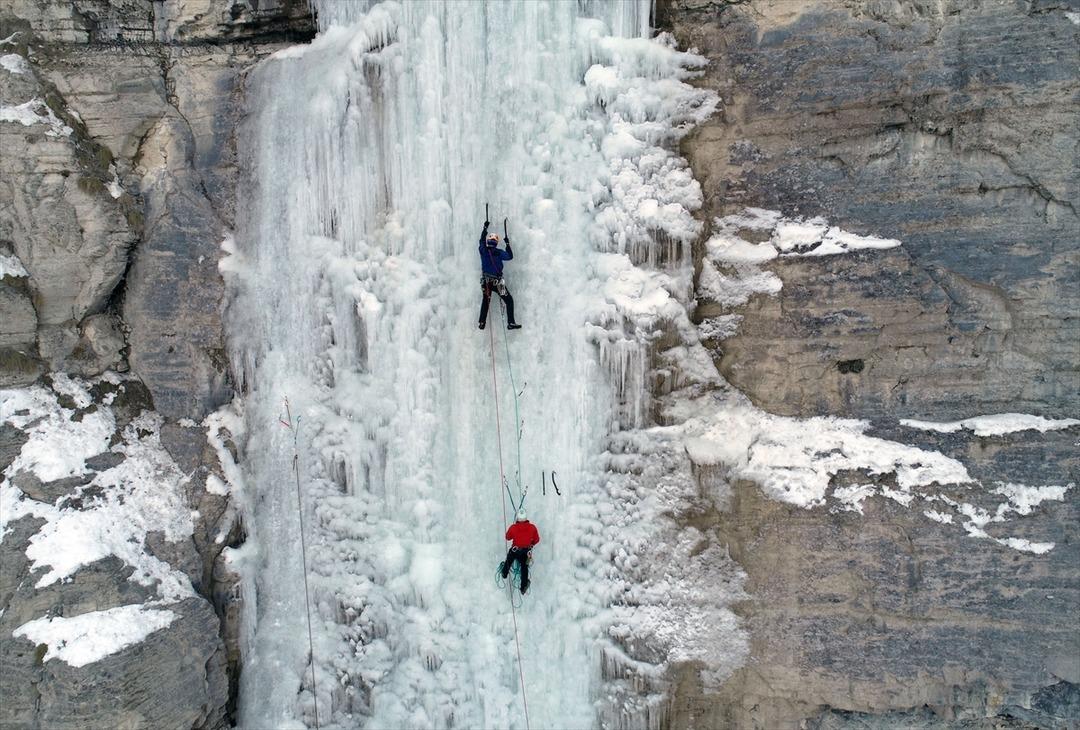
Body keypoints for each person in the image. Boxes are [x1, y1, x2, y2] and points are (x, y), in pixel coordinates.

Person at [478, 219, 522, 330]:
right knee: (509, 300)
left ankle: (482, 322)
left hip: (486, 282)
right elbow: (510, 256)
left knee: (486, 300)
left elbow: (481, 240)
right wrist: (507, 243)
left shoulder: (483, 250)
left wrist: (485, 228)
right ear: (496, 243)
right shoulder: (499, 252)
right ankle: (510, 322)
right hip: (498, 283)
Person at [501, 508, 539, 594]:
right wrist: (531, 544)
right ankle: (523, 587)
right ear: (526, 518)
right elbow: (536, 539)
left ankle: (504, 573)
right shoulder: (532, 528)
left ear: (517, 518)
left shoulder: (513, 528)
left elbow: (507, 537)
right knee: (524, 568)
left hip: (515, 551)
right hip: (525, 552)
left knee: (509, 559)